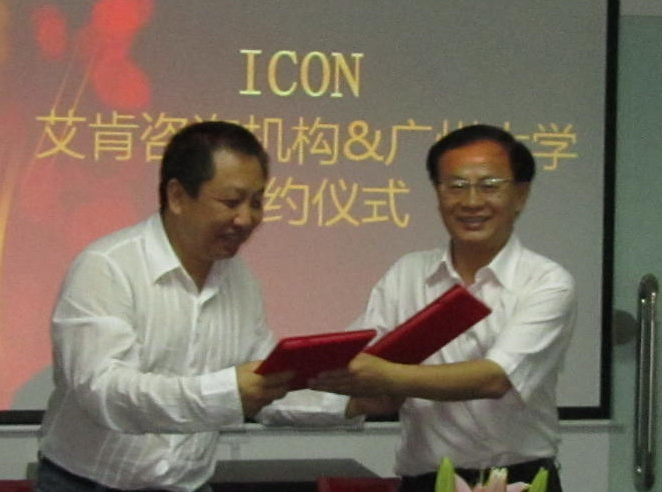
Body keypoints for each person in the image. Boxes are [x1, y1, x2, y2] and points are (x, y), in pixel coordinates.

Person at [36, 120, 349, 492]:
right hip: (86, 484)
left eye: (257, 202)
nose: (247, 219)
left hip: (189, 485)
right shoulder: (108, 267)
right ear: (177, 197)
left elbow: (266, 383)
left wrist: (352, 404)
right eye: (231, 202)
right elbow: (105, 393)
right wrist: (228, 392)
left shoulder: (241, 281)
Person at [311, 124, 576, 492]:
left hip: (518, 480)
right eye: (455, 186)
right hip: (425, 481)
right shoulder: (408, 273)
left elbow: (494, 378)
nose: (471, 201)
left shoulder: (547, 281)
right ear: (437, 193)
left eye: (489, 186)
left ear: (520, 195)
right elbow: (358, 356)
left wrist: (386, 375)